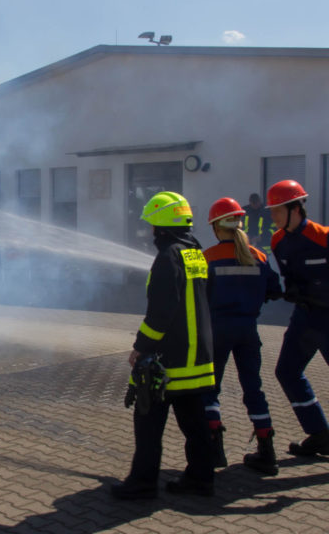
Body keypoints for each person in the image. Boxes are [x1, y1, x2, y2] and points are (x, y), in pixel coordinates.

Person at [111, 191, 216, 500]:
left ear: (162, 226)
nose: (150, 232)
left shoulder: (167, 257)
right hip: (197, 357)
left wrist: (140, 346)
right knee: (195, 423)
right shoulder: (195, 252)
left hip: (169, 360)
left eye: (152, 225)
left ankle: (142, 484)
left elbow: (160, 313)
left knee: (147, 422)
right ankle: (201, 479)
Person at [202, 197, 282, 475]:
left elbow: (199, 295)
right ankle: (267, 450)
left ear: (215, 227)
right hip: (248, 331)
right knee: (254, 389)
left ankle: (214, 450)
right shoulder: (258, 256)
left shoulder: (207, 257)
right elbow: (274, 290)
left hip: (217, 331)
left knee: (210, 388)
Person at [268, 180, 329, 456]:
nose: (273, 216)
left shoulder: (323, 237)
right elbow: (288, 276)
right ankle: (319, 433)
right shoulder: (278, 242)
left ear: (296, 209)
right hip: (304, 319)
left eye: (278, 210)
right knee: (287, 371)